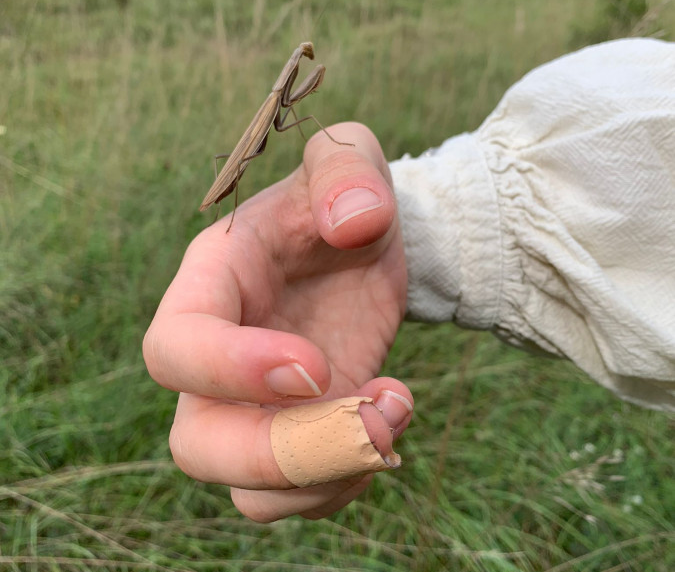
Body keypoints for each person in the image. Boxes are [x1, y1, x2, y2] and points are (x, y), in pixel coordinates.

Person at [143, 38, 675, 523]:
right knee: (272, 142)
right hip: (238, 183)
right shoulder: (279, 104)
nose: (309, 60)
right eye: (303, 56)